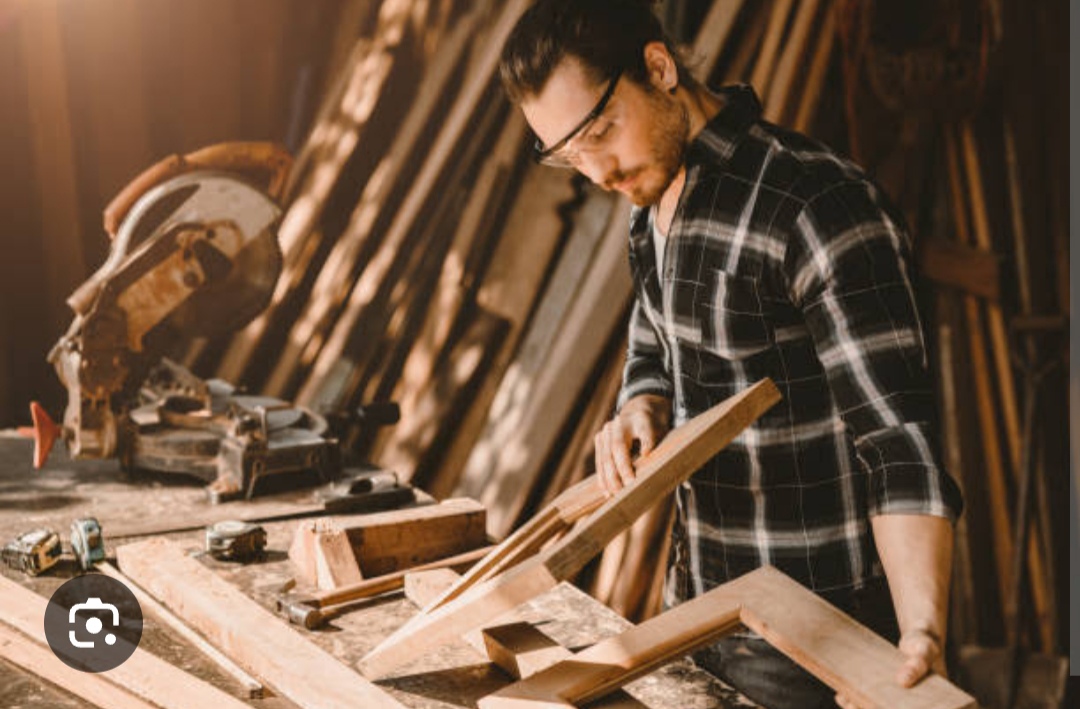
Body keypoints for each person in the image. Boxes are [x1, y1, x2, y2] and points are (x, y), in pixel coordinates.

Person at [498, 2, 964, 708]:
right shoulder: (651, 199)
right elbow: (654, 335)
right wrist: (641, 401)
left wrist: (922, 630)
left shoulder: (818, 205)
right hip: (695, 608)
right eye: (569, 154)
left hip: (817, 635)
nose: (596, 171)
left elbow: (897, 439)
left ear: (658, 69)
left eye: (599, 132)